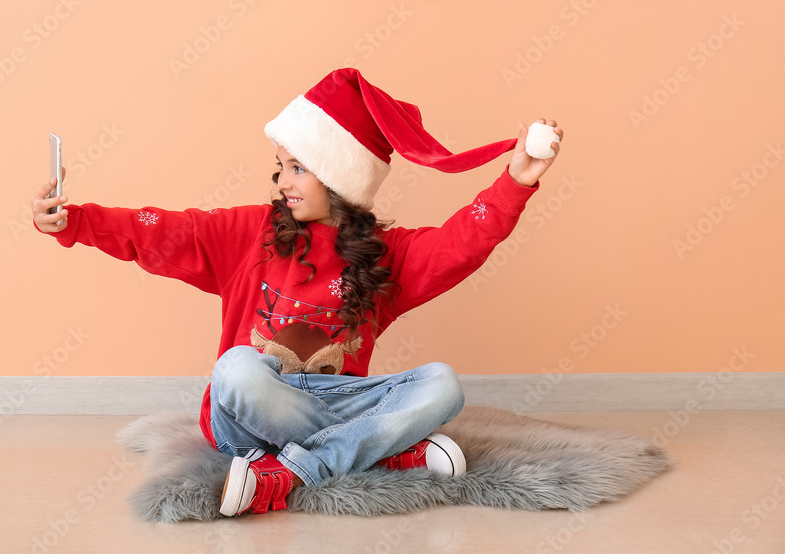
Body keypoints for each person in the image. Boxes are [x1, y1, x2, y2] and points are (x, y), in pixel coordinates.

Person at [31, 68, 562, 518]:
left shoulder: (383, 256)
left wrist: (514, 181)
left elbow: (459, 244)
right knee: (234, 370)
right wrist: (76, 221)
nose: (283, 181)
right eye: (281, 166)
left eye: (299, 167)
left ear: (340, 175)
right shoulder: (251, 234)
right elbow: (162, 230)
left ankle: (285, 474)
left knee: (442, 385)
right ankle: (377, 452)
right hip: (249, 413)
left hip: (336, 398)